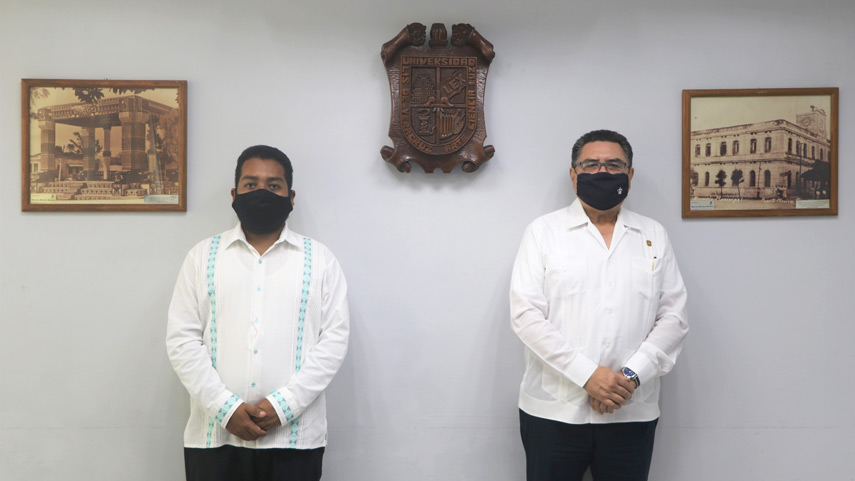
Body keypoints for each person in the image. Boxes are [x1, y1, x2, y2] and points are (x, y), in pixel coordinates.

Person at [510, 130, 688, 481]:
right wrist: (588, 376)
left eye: (614, 165)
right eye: (590, 164)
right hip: (554, 411)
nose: (602, 172)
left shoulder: (653, 235)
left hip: (631, 410)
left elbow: (674, 317)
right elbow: (526, 316)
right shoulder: (543, 232)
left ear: (630, 175)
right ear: (573, 174)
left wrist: (630, 377)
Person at [167, 145, 349, 481]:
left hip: (295, 440)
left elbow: (334, 342)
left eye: (273, 185)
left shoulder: (320, 260)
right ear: (234, 194)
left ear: (290, 197)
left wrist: (283, 407)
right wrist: (226, 409)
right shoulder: (201, 257)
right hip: (215, 438)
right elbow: (182, 340)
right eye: (251, 185)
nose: (261, 192)